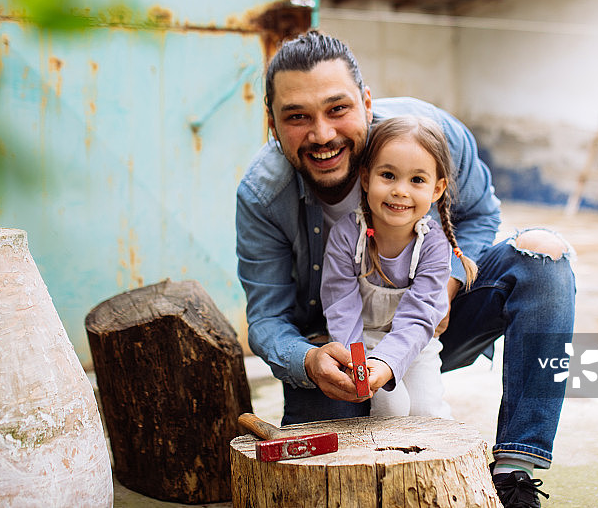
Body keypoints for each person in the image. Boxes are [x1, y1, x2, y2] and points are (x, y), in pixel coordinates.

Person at [236, 30, 575, 508]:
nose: (323, 134)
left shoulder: (427, 135)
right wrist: (310, 362)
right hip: (339, 353)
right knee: (339, 485)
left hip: (436, 325)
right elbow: (267, 319)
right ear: (271, 123)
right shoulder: (261, 195)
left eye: (338, 109)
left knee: (545, 257)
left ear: (367, 102)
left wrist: (449, 286)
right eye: (297, 117)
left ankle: (515, 471)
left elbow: (480, 215)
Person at [321, 115, 478, 419]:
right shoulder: (346, 236)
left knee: (426, 409)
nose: (400, 191)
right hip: (363, 343)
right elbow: (341, 307)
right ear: (366, 178)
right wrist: (358, 365)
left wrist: (389, 362)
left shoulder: (433, 244)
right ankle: (389, 467)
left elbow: (420, 316)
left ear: (437, 188)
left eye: (417, 180)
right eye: (388, 175)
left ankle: (433, 466)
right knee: (391, 408)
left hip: (416, 341)